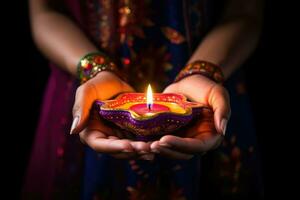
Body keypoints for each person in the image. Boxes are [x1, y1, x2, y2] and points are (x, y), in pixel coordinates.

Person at [23, 0, 264, 199]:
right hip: (86, 95)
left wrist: (202, 71)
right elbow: (45, 12)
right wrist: (94, 69)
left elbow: (245, 11)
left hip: (208, 98)